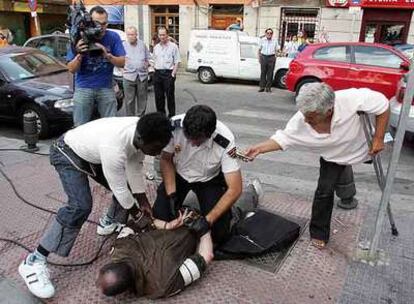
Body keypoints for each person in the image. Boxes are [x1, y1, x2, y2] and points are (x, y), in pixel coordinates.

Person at [18, 113, 173, 299]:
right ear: (141, 138)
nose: (157, 153)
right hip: (66, 152)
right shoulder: (114, 147)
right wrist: (139, 216)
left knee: (128, 191)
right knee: (80, 206)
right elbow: (119, 188)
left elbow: (134, 166)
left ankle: (109, 222)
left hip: (91, 153)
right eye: (156, 148)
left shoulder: (142, 130)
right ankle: (35, 260)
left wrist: (143, 201)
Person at [245, 83, 390, 249]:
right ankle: (319, 232)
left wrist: (378, 137)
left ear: (328, 111)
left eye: (311, 117)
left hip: (361, 148)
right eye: (305, 115)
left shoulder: (351, 99)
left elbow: (383, 105)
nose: (306, 120)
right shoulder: (302, 118)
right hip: (333, 156)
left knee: (343, 170)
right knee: (324, 190)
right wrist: (259, 149)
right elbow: (283, 138)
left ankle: (347, 195)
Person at [96, 180, 262, 299]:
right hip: (192, 226)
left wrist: (171, 226)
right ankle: (252, 189)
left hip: (185, 221)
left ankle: (245, 189)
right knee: (233, 211)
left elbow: (204, 257)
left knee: (214, 198)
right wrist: (203, 229)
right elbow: (205, 257)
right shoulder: (119, 249)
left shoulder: (161, 285)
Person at [152, 105, 243, 246]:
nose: (192, 144)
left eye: (198, 140)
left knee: (219, 234)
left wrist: (208, 220)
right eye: (189, 138)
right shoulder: (174, 127)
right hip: (180, 175)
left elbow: (235, 188)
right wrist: (171, 194)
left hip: (208, 179)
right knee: (160, 215)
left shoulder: (225, 140)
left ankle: (231, 213)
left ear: (210, 134)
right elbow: (166, 159)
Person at [66, 5, 126, 126]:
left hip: (106, 87)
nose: (100, 27)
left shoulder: (113, 37)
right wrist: (79, 54)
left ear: (107, 24)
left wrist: (107, 54)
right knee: (80, 126)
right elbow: (71, 69)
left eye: (104, 24)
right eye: (97, 23)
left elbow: (122, 62)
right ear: (89, 22)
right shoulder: (79, 36)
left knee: (110, 124)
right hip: (83, 87)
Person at [153, 27, 181, 118]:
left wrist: (173, 74)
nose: (162, 37)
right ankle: (161, 116)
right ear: (158, 35)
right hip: (157, 73)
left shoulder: (173, 46)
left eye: (163, 35)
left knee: (170, 96)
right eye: (160, 35)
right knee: (158, 97)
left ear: (167, 35)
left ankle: (172, 116)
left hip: (168, 74)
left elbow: (177, 61)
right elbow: (154, 59)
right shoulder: (156, 47)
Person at [122, 26, 150, 117]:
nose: (130, 36)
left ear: (136, 35)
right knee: (129, 100)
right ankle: (130, 119)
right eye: (128, 34)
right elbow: (118, 59)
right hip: (128, 76)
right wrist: (121, 69)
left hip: (142, 76)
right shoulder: (123, 45)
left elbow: (148, 57)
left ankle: (140, 118)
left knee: (142, 99)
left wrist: (146, 64)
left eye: (132, 34)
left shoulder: (142, 44)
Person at [258, 28, 279, 93]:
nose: (269, 34)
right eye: (268, 33)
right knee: (263, 73)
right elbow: (259, 50)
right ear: (265, 34)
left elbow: (277, 50)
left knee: (270, 73)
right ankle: (262, 87)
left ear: (272, 34)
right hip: (263, 57)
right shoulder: (262, 40)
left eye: (270, 33)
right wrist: (259, 58)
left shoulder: (275, 41)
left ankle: (268, 88)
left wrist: (276, 56)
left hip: (271, 57)